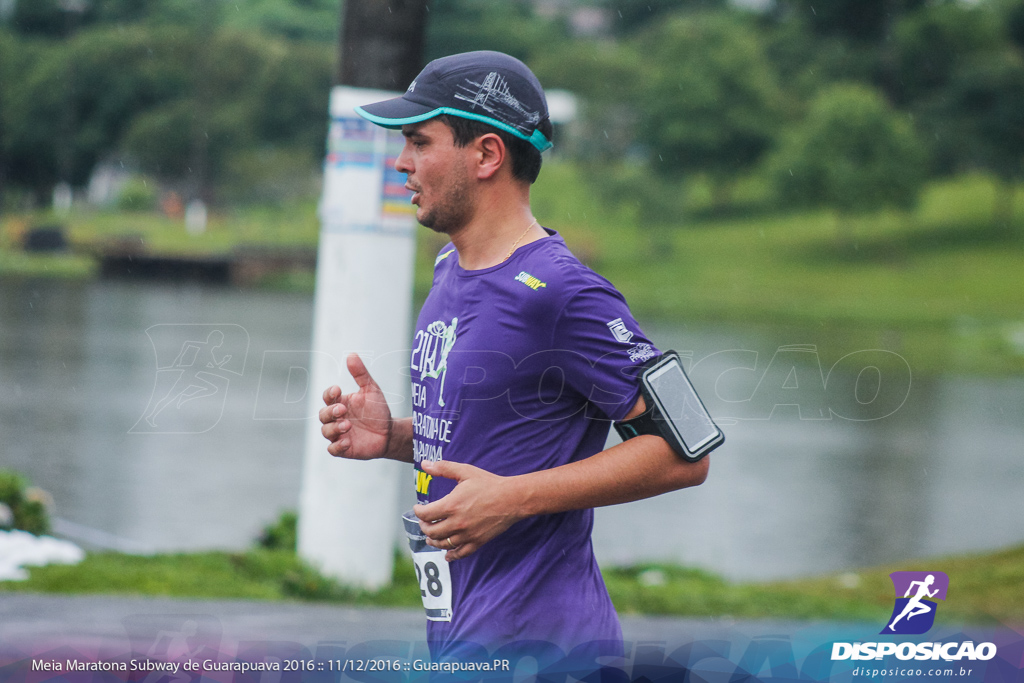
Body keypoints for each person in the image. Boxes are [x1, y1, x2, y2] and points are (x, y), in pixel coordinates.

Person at [318, 51, 709, 662]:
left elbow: (686, 455)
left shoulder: (563, 292)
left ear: (486, 155)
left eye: (420, 142)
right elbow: (505, 436)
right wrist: (395, 437)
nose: (401, 163)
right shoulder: (451, 268)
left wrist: (512, 499)